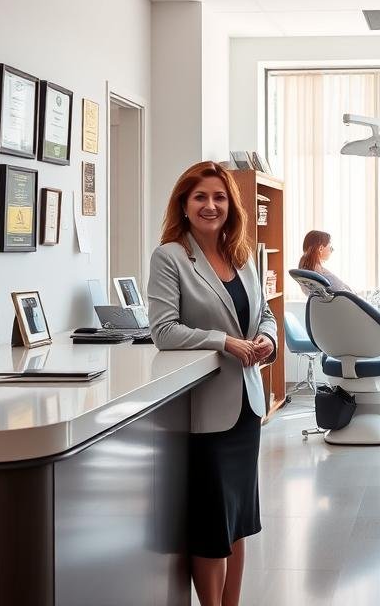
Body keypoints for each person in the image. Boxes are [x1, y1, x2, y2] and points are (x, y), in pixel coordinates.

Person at [147, 161, 277, 606]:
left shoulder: (240, 254)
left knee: (239, 520)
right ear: (183, 205)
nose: (210, 205)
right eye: (200, 196)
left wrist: (266, 340)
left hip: (247, 405)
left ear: (230, 205)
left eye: (219, 197)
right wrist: (224, 342)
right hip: (206, 410)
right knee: (212, 527)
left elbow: (265, 314)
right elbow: (163, 330)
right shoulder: (170, 256)